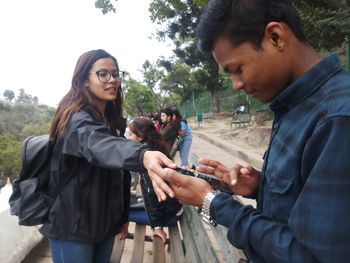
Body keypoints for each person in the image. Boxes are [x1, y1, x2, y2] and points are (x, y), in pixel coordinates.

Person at [161, 0, 350, 262]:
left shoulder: (338, 119)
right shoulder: (294, 106)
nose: (236, 85)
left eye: (237, 69)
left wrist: (213, 202)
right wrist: (260, 188)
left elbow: (312, 257)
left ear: (275, 37)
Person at [41, 49, 176, 263]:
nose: (112, 80)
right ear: (84, 80)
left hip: (104, 222)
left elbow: (117, 174)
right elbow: (99, 145)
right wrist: (143, 156)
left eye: (115, 74)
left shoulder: (110, 120)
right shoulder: (77, 118)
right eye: (103, 74)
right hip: (73, 225)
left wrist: (121, 217)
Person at [127, 118, 183, 242]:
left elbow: (153, 196)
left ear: (140, 138)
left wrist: (157, 227)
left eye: (130, 134)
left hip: (169, 215)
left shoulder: (149, 160)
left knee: (118, 211)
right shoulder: (155, 149)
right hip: (173, 208)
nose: (127, 138)